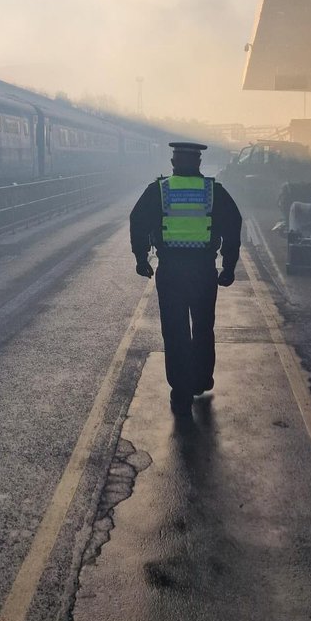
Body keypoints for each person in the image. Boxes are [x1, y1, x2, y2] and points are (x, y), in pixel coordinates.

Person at [130, 141, 242, 418]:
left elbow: (137, 221)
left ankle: (180, 390)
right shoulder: (214, 192)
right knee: (204, 328)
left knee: (176, 331)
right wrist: (228, 267)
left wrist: (142, 259)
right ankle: (200, 381)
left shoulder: (159, 190)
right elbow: (233, 225)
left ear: (173, 162)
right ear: (199, 163)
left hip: (171, 272)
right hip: (203, 271)